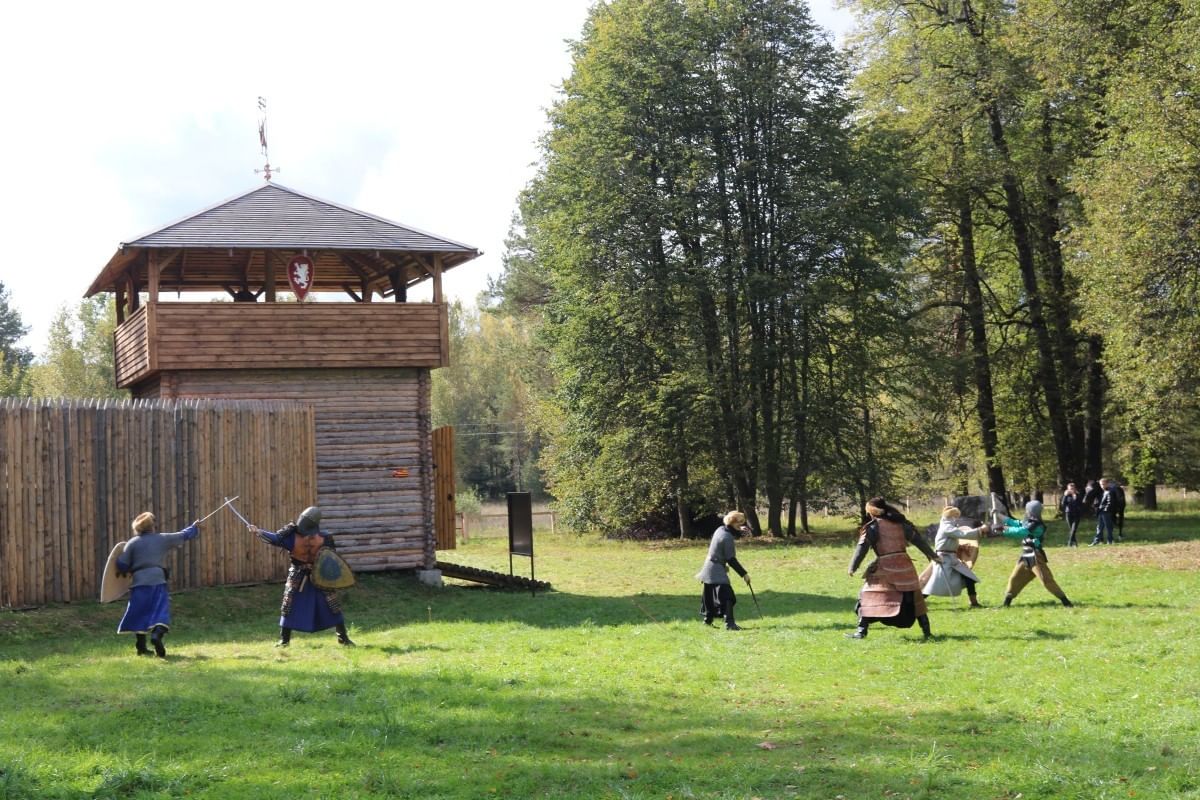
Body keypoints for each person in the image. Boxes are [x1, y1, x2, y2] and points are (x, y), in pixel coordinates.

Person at [250, 506, 355, 647]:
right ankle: (284, 640)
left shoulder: (324, 538)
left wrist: (259, 532)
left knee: (332, 605)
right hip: (298, 576)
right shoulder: (293, 535)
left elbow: (331, 560)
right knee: (288, 606)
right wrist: (258, 531)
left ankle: (343, 638)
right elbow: (275, 538)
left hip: (319, 577)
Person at [847, 497, 940, 640]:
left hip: (884, 568)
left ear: (872, 512)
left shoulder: (872, 526)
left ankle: (861, 632)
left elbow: (862, 547)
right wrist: (933, 555)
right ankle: (927, 633)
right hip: (906, 566)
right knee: (915, 599)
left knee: (868, 596)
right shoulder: (902, 524)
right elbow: (918, 541)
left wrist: (853, 567)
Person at [115, 512, 200, 658]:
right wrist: (194, 527)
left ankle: (141, 647)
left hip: (139, 582)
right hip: (157, 580)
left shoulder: (132, 543)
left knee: (139, 612)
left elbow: (121, 564)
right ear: (152, 526)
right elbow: (182, 535)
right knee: (160, 610)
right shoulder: (161, 539)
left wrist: (129, 568)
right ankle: (156, 635)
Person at [996, 500, 1074, 607]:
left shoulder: (1036, 524)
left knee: (1046, 580)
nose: (1026, 511)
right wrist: (999, 515)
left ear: (1031, 510)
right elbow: (1017, 523)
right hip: (1026, 555)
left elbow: (1021, 531)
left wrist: (1003, 529)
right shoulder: (1029, 521)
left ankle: (1066, 602)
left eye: (1027, 509)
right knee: (1015, 579)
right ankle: (1006, 604)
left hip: (1035, 555)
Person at [696, 510, 753, 631]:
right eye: (740, 522)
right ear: (732, 522)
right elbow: (731, 559)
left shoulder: (721, 529)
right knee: (727, 596)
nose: (742, 524)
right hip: (715, 568)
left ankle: (707, 621)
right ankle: (730, 624)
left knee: (709, 595)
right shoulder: (727, 537)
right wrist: (744, 574)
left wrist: (740, 531)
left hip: (709, 566)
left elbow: (728, 538)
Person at [921, 506, 987, 608]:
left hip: (952, 558)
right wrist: (980, 530)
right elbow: (961, 533)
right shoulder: (946, 527)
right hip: (943, 559)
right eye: (956, 516)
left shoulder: (948, 526)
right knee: (934, 583)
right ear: (951, 516)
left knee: (969, 578)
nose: (957, 518)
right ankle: (916, 602)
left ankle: (974, 603)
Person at [1089, 478, 1116, 546]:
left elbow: (1110, 502)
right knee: (1099, 527)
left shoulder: (1110, 491)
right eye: (1101, 484)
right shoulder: (1104, 491)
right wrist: (1096, 506)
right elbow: (1102, 502)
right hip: (1101, 511)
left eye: (1103, 484)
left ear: (1107, 484)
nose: (1102, 486)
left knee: (1108, 526)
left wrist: (1106, 509)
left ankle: (1109, 540)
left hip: (1105, 512)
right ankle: (1097, 540)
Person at [1059, 482, 1084, 547]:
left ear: (1075, 489)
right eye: (1070, 489)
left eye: (1073, 489)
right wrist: (1065, 495)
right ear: (1067, 489)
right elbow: (1063, 504)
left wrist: (1075, 497)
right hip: (1069, 513)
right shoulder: (1066, 496)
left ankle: (1069, 542)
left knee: (1074, 529)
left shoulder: (1078, 495)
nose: (1071, 490)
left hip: (1077, 514)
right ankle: (1075, 543)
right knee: (1071, 529)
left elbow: (1081, 504)